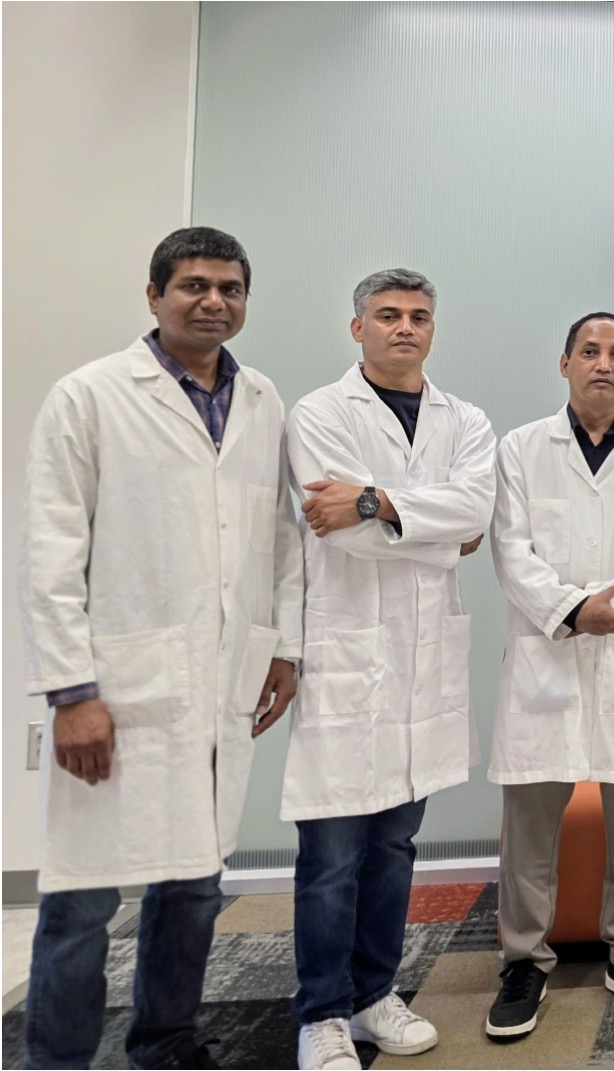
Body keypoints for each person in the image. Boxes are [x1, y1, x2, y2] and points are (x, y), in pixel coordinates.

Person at [21, 228, 302, 1070]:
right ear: (154, 295)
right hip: (119, 687)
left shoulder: (261, 401)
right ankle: (58, 1059)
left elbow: (280, 535)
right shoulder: (91, 396)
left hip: (222, 681)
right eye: (194, 285)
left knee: (194, 885)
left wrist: (282, 647)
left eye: (230, 287)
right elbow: (50, 551)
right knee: (82, 894)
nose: (213, 300)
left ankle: (165, 1040)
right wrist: (73, 693)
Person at [283, 269, 497, 1068]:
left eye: (418, 316)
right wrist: (424, 518)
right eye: (388, 315)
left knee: (396, 844)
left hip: (418, 660)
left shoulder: (465, 419)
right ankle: (321, 1014)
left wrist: (374, 500)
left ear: (433, 328)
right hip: (348, 652)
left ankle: (376, 993)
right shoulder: (318, 413)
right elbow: (332, 529)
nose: (404, 327)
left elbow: (477, 510)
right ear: (358, 328)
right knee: (333, 852)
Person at [485, 311, 614, 1038]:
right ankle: (522, 958)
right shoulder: (519, 448)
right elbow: (509, 549)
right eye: (589, 351)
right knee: (530, 825)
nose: (603, 363)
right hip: (550, 649)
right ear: (564, 362)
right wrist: (573, 609)